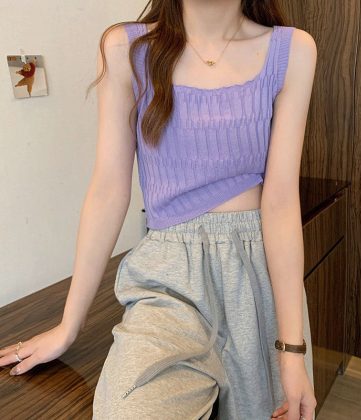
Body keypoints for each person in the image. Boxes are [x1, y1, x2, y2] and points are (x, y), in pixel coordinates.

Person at [0, 1, 317, 419]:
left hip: (258, 277)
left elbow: (280, 201)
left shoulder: (292, 50)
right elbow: (108, 190)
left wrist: (292, 349)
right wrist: (68, 326)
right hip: (169, 282)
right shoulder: (126, 48)